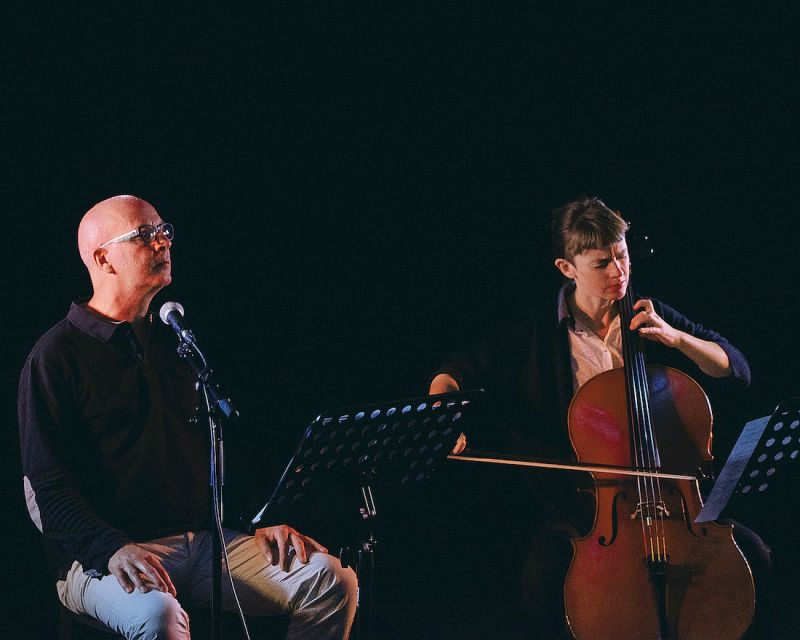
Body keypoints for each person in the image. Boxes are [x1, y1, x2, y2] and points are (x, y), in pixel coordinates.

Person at [429, 196, 772, 638]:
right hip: (586, 505)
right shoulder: (539, 331)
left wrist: (676, 338)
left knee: (754, 554)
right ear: (566, 268)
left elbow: (735, 368)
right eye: (601, 263)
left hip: (670, 500)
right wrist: (444, 420)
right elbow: (455, 370)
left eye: (622, 255)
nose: (619, 272)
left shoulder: (649, 314)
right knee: (543, 578)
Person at [18, 195, 357, 639]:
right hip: (103, 554)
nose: (163, 243)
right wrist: (111, 548)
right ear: (103, 259)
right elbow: (47, 491)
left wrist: (259, 519)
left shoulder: (174, 341)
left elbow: (217, 449)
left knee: (332, 580)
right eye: (145, 235)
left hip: (202, 541)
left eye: (164, 231)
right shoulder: (55, 357)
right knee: (158, 616)